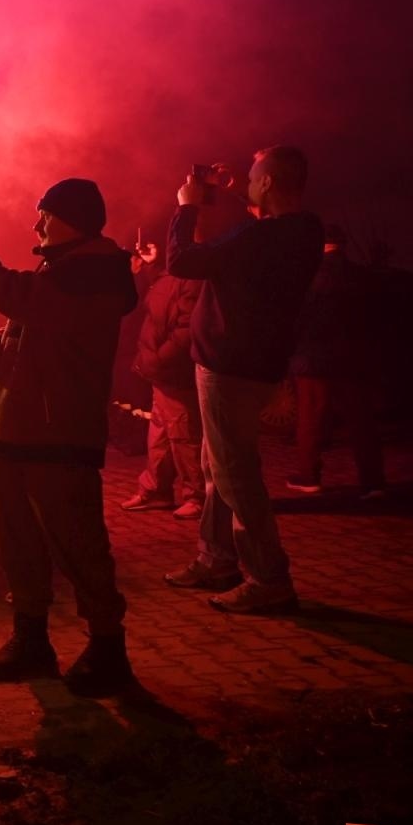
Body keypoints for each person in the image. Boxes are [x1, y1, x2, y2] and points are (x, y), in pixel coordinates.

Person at [0, 178, 139, 697]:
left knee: (77, 543)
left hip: (58, 433)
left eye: (46, 215)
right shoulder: (65, 270)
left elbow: (19, 297)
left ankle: (107, 647)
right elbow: (34, 323)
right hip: (21, 430)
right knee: (18, 540)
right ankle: (31, 639)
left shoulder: (92, 274)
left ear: (75, 219)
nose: (37, 225)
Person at [162, 147, 324, 615]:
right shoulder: (303, 231)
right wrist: (237, 196)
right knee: (220, 469)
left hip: (227, 367)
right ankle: (217, 558)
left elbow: (182, 261)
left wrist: (187, 205)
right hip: (257, 365)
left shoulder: (258, 239)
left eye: (255, 177)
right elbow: (255, 235)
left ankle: (269, 577)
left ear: (269, 183)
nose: (248, 181)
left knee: (235, 475)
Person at [286, 224, 386, 497]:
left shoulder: (305, 277)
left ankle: (309, 477)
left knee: (310, 419)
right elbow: (375, 321)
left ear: (321, 245)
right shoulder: (361, 277)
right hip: (352, 360)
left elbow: (294, 319)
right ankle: (373, 481)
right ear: (343, 245)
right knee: (361, 420)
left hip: (312, 360)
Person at [122, 254, 205, 518]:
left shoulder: (194, 279)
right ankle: (156, 490)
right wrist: (147, 268)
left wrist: (161, 358)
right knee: (160, 432)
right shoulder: (168, 275)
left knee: (183, 433)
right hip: (160, 370)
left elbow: (186, 328)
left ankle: (197, 494)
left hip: (174, 371)